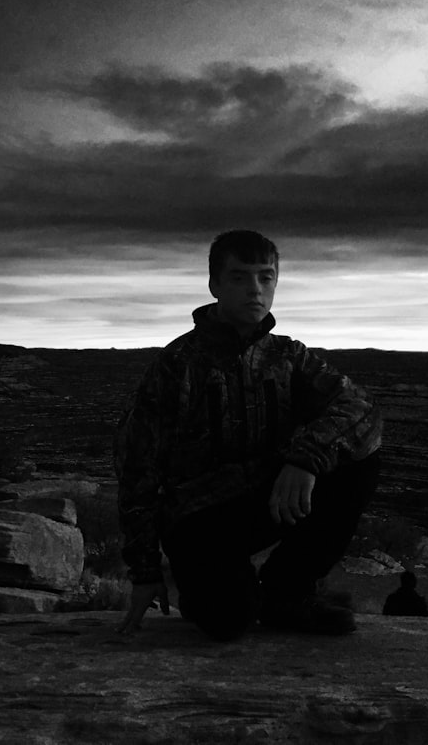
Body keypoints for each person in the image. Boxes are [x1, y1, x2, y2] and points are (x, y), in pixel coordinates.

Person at [114, 230, 383, 640]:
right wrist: (145, 571)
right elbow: (138, 468)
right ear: (215, 285)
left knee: (358, 461)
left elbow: (361, 410)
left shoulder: (289, 357)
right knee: (227, 622)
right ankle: (216, 591)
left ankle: (288, 593)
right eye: (239, 277)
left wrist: (305, 458)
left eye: (266, 277)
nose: (255, 290)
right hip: (200, 518)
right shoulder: (176, 365)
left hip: (267, 498)